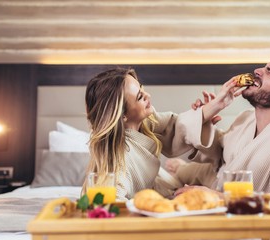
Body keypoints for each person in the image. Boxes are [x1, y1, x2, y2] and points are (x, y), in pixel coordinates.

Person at [173, 49, 270, 219]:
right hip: (214, 177)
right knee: (180, 169)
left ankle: (180, 169)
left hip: (221, 197)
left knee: (176, 173)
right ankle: (180, 169)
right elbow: (224, 152)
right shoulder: (246, 118)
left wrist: (218, 198)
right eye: (264, 67)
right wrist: (205, 121)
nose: (257, 71)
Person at [82, 67, 194, 200]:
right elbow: (110, 204)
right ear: (122, 115)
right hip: (145, 202)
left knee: (200, 172)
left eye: (142, 89)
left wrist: (207, 111)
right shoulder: (119, 163)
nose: (148, 96)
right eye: (140, 97)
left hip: (159, 187)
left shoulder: (145, 124)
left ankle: (181, 171)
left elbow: (174, 124)